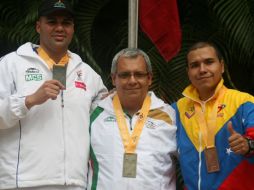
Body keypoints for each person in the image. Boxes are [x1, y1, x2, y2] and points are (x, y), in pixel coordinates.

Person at [0, 0, 107, 189]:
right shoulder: (10, 64)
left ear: (73, 28)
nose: (60, 28)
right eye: (52, 22)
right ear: (38, 26)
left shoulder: (88, 74)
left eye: (66, 23)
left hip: (75, 183)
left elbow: (103, 123)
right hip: (24, 183)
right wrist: (29, 100)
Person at [87, 48, 177, 190]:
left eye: (139, 74)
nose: (132, 81)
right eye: (124, 75)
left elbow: (192, 161)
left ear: (149, 78)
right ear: (113, 78)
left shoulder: (170, 116)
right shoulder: (93, 113)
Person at [172, 41, 254, 190]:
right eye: (195, 65)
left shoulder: (243, 101)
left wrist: (248, 145)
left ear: (221, 66)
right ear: (188, 72)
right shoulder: (176, 109)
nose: (202, 69)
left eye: (209, 62)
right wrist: (115, 100)